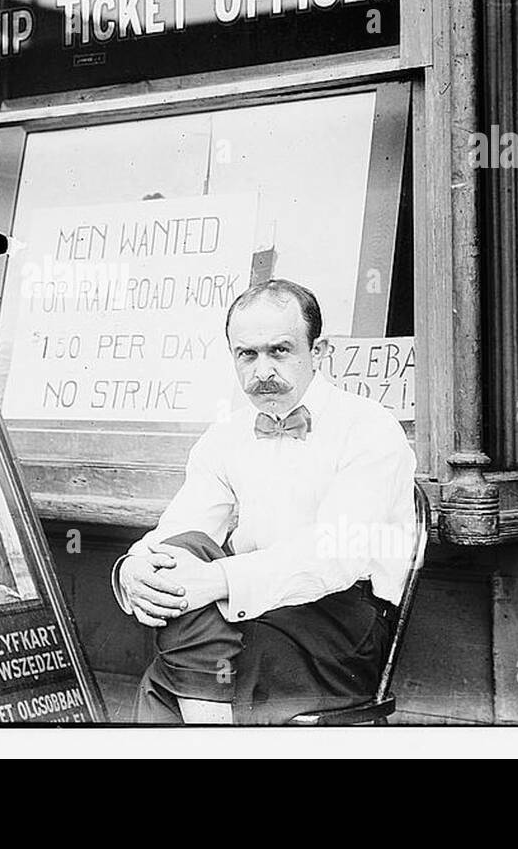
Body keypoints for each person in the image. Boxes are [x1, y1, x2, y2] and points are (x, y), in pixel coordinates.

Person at [113, 278, 417, 724]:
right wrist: (137, 568)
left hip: (342, 622)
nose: (262, 371)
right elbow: (182, 529)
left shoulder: (369, 428)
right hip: (251, 609)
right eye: (247, 354)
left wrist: (215, 580)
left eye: (279, 351)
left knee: (171, 676)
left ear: (319, 352)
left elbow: (334, 557)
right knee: (187, 549)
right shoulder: (225, 436)